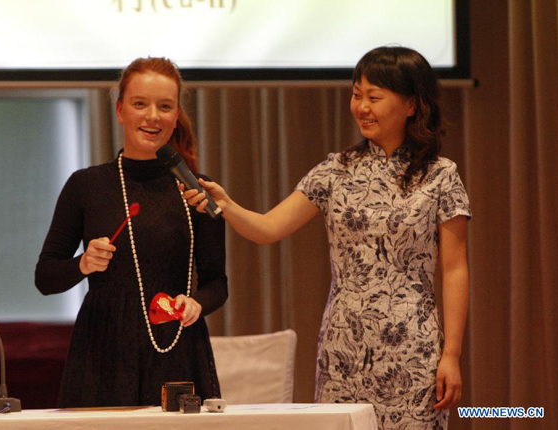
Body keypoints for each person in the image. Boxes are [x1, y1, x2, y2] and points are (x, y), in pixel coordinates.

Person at [183, 46, 470, 429]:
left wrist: (450, 354)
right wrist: (227, 204)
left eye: (374, 97)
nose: (361, 107)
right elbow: (269, 229)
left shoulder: (440, 176)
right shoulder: (335, 171)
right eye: (356, 95)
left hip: (413, 348)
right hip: (343, 345)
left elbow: (454, 270)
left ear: (412, 105)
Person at [35, 57, 228, 407]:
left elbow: (218, 283)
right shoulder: (86, 185)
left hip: (177, 347)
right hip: (103, 352)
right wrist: (83, 264)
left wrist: (196, 303)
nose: (152, 116)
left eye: (164, 106)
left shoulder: (198, 189)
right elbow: (45, 277)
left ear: (175, 116)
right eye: (140, 104)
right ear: (121, 111)